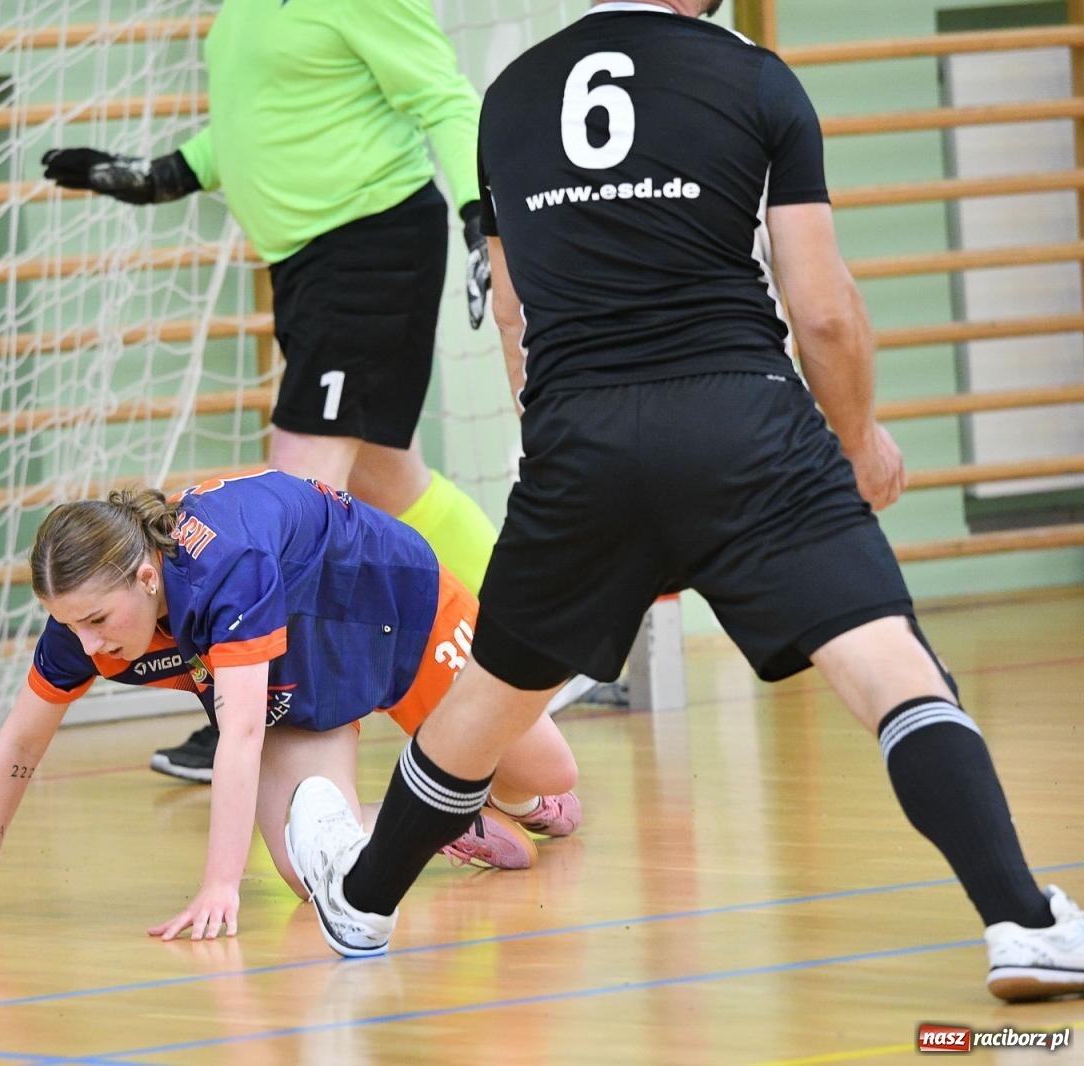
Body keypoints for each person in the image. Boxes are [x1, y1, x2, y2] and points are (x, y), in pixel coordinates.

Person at [282, 0, 1084, 1003]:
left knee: (491, 696)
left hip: (576, 436)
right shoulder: (756, 82)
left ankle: (360, 900)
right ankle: (1020, 920)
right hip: (740, 423)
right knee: (888, 670)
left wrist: (562, 457)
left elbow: (517, 314)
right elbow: (824, 313)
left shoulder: (510, 101)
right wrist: (855, 442)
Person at [41, 0, 512, 784]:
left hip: (370, 242)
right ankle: (527, 640)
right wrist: (160, 176)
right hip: (303, 263)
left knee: (293, 492)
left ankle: (255, 697)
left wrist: (477, 217)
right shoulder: (243, 14)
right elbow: (254, 123)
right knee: (388, 481)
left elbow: (446, 99)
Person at [0, 471, 582, 938]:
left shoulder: (224, 570)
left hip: (388, 602)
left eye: (98, 620)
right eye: (69, 624)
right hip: (294, 663)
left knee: (553, 777)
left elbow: (242, 734)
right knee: (309, 874)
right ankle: (441, 820)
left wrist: (220, 885)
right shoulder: (86, 624)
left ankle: (508, 799)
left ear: (146, 576)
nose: (89, 644)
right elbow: (20, 744)